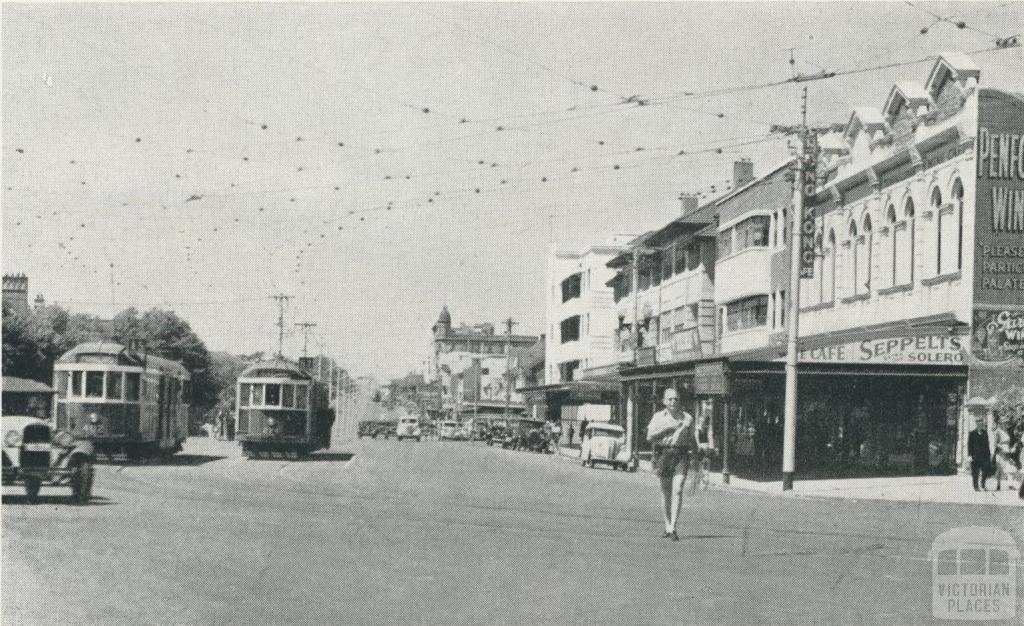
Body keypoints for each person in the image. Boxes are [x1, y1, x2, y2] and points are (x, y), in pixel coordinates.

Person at [646, 388, 698, 541]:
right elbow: (649, 437)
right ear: (664, 401)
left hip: (681, 454)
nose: (673, 402)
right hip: (663, 454)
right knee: (666, 492)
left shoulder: (687, 418)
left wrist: (696, 457)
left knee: (678, 489)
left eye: (676, 399)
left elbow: (692, 439)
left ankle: (673, 526)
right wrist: (667, 428)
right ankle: (667, 525)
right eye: (670, 399)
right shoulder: (658, 417)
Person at [967, 418, 991, 491]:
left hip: (984, 456)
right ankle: (976, 486)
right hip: (975, 456)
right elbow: (969, 445)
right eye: (979, 423)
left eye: (982, 423)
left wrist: (989, 454)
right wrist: (969, 455)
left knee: (985, 471)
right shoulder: (972, 433)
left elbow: (987, 444)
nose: (981, 424)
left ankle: (983, 485)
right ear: (976, 424)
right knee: (975, 472)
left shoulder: (985, 433)